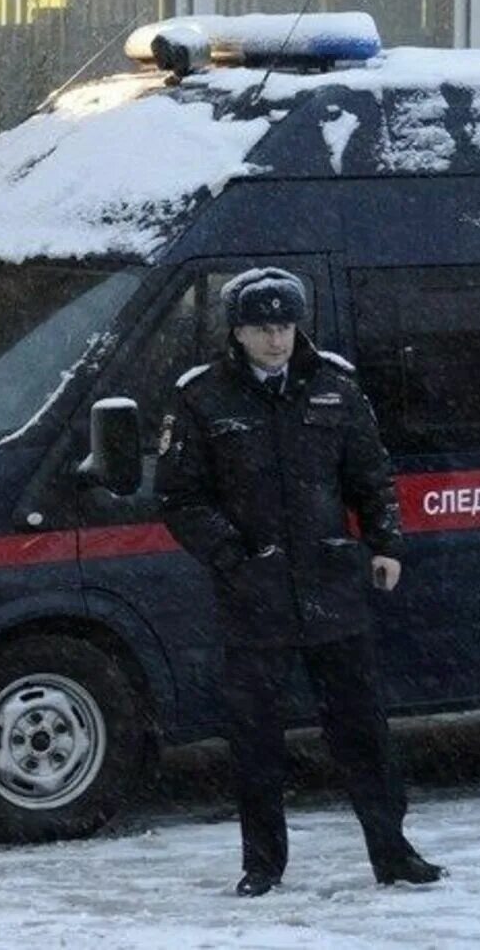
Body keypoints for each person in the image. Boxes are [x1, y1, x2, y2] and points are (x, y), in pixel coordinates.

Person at [156, 267, 444, 897]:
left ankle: (392, 854)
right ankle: (262, 864)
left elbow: (372, 476)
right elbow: (180, 498)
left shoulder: (333, 386)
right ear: (238, 332)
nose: (277, 340)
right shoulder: (204, 398)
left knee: (363, 731)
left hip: (332, 589)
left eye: (284, 326)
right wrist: (232, 554)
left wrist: (385, 542)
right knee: (256, 740)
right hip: (252, 597)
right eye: (263, 329)